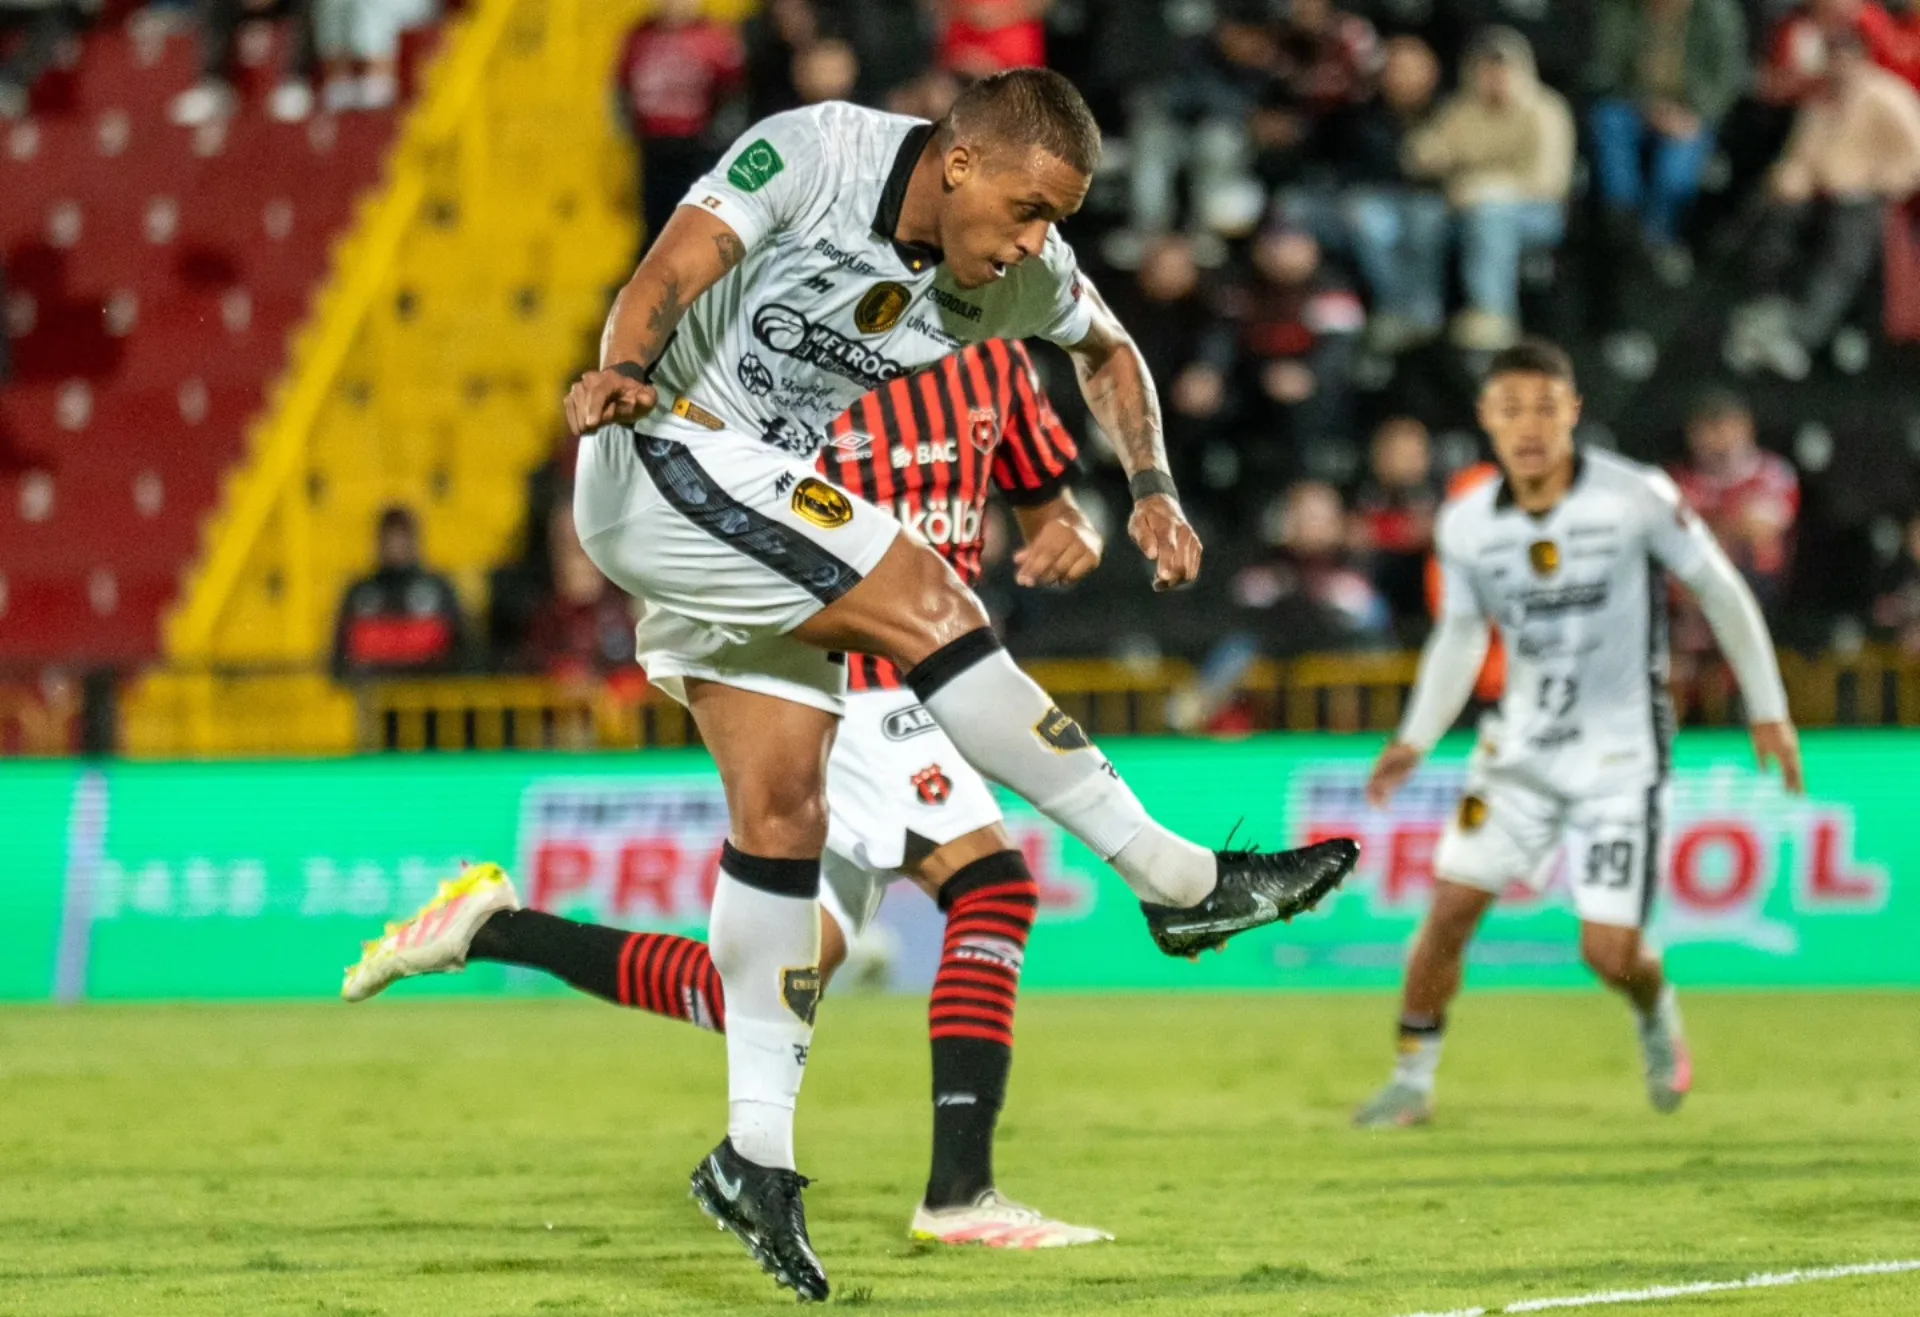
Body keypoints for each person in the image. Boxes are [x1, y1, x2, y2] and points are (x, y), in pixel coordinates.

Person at [545, 71, 1355, 1299]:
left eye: (1059, 220)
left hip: (743, 518)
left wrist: (1151, 487)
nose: (1040, 244)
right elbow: (670, 266)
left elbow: (1113, 352)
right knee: (932, 599)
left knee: (783, 818)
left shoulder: (1021, 274)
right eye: (1031, 210)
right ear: (962, 161)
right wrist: (621, 365)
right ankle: (1178, 880)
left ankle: (752, 1158)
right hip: (668, 447)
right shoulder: (814, 154)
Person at [346, 338, 1112, 1250]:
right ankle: (960, 1194)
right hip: (838, 672)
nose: (1015, 249)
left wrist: (1072, 526)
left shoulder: (1001, 357)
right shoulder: (826, 334)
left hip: (925, 676)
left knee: (750, 993)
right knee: (994, 888)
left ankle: (492, 927)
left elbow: (1045, 498)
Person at [1355, 339, 1803, 1129]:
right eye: (1510, 409)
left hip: (1621, 758)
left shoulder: (1636, 497)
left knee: (1607, 952)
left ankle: (1653, 1000)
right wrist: (1414, 738)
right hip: (1517, 751)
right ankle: (1411, 1080)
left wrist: (1768, 710)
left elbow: (1723, 591)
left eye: (1544, 407)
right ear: (1487, 420)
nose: (1528, 426)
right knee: (1448, 912)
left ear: (1574, 412)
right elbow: (1460, 636)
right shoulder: (1465, 521)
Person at [1724, 31, 1920, 379]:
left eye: (1847, 59)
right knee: (1775, 219)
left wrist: (1877, 182)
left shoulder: (1888, 97)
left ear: (1862, 60)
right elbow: (1800, 156)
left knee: (1845, 251)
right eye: (1834, 59)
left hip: (1866, 197)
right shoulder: (1820, 101)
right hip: (1819, 194)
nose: (1840, 67)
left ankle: (1802, 336)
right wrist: (1789, 179)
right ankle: (1764, 311)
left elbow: (1914, 157)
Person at [1403, 27, 1575, 351]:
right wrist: (1427, 153)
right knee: (1423, 215)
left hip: (1536, 213)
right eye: (1487, 68)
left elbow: (1550, 182)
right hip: (1465, 205)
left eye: (1504, 68)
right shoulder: (1463, 109)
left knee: (1489, 215)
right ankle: (1417, 312)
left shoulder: (1546, 110)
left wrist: (1490, 190)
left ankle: (1493, 315)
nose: (1496, 76)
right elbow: (1423, 153)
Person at [1587, 0, 1749, 284]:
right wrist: (1648, 107)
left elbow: (1727, 81)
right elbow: (1606, 71)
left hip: (1692, 113)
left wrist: (1693, 115)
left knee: (1674, 173)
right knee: (1608, 120)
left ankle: (1655, 241)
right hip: (1635, 104)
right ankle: (1623, 217)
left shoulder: (1717, 13)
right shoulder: (1622, 9)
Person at [613, 0, 746, 251]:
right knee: (655, 219)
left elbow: (733, 93)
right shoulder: (639, 36)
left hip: (698, 148)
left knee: (694, 220)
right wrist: (630, 131)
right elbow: (621, 89)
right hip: (652, 146)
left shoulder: (715, 37)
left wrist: (717, 137)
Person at [329, 505, 465, 680]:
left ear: (414, 540)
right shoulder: (359, 592)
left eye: (401, 537)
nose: (395, 545)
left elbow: (463, 651)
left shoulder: (440, 589)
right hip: (371, 701)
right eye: (389, 538)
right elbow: (339, 659)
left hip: (428, 700)